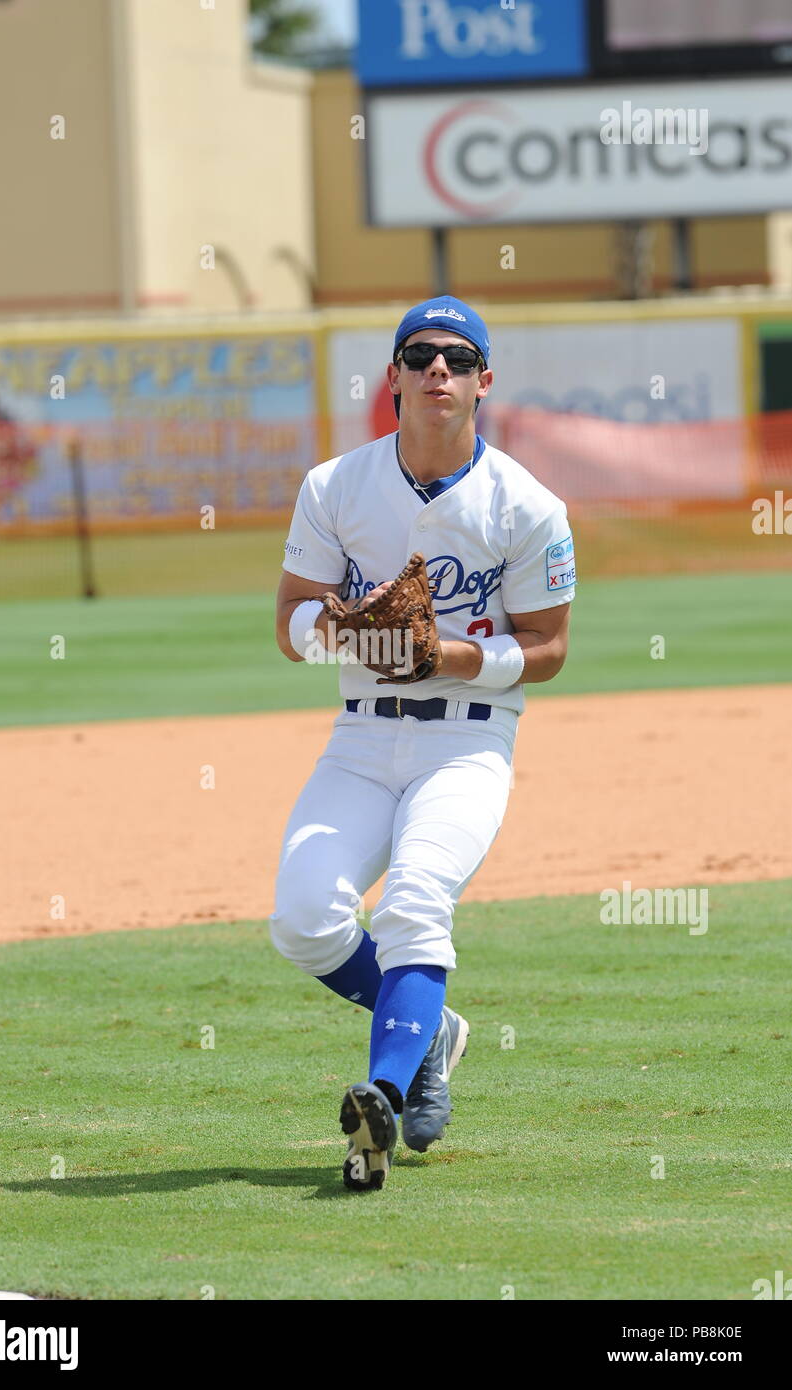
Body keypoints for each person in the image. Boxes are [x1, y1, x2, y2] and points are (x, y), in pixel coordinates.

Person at [271, 296, 576, 1191]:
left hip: (469, 744)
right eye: (418, 355)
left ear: (484, 380)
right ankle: (430, 1025)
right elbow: (289, 622)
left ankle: (388, 1092)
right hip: (362, 737)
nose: (436, 369)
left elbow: (548, 650)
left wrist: (444, 654)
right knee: (302, 920)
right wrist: (345, 635)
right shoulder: (335, 486)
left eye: (455, 356)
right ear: (395, 377)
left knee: (413, 900)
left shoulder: (526, 503)